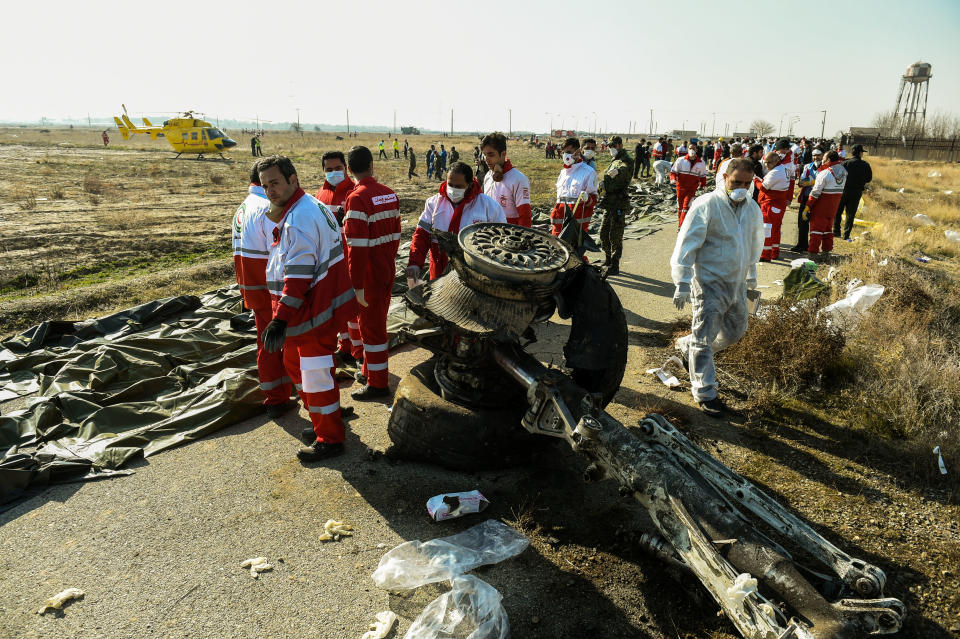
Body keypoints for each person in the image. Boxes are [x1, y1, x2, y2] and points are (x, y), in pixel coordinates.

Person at [258, 155, 358, 462]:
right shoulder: (306, 206)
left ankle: (329, 437)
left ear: (293, 179)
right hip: (312, 311)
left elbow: (298, 275)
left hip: (309, 313)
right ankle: (321, 421)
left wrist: (280, 319)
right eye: (265, 186)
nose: (270, 191)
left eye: (275, 182)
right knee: (297, 367)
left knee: (314, 376)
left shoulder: (300, 218)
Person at [671, 158, 764, 418]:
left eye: (747, 183)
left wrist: (751, 275)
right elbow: (687, 244)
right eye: (736, 182)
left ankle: (688, 347)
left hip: (736, 282)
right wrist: (682, 281)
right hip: (709, 282)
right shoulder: (706, 205)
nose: (741, 188)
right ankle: (705, 392)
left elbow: (752, 244)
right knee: (705, 337)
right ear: (724, 178)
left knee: (736, 330)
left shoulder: (751, 208)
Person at [232, 160, 292, 417]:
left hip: (251, 287)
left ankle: (275, 395)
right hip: (270, 289)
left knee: (265, 343)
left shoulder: (242, 208)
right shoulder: (268, 209)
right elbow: (282, 251)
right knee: (284, 344)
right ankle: (282, 396)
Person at [343, 146, 401, 400]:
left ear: (348, 169)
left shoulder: (357, 198)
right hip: (387, 267)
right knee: (376, 323)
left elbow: (356, 248)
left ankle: (378, 384)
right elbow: (398, 235)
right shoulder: (389, 195)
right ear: (371, 165)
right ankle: (369, 371)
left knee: (372, 329)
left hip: (368, 275)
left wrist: (356, 285)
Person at [406, 162, 506, 281]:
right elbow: (421, 235)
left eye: (458, 186)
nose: (453, 190)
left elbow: (501, 241)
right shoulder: (433, 204)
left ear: (469, 184)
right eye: (450, 185)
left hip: (473, 272)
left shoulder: (488, 206)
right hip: (439, 268)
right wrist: (415, 263)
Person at [316, 151, 361, 364]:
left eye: (338, 168)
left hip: (350, 261)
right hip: (329, 261)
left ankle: (359, 350)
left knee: (352, 310)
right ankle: (345, 345)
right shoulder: (320, 196)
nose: (334, 173)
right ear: (323, 171)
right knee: (336, 308)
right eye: (329, 170)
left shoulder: (355, 192)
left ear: (346, 168)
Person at [598, 135, 633, 276]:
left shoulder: (626, 160)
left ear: (619, 145)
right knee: (603, 232)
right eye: (609, 146)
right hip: (609, 202)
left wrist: (619, 171)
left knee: (615, 235)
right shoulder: (614, 160)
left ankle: (615, 264)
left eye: (613, 146)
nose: (611, 148)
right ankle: (607, 259)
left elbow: (626, 169)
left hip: (619, 202)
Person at [481, 131, 532, 227]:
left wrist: (522, 239)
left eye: (491, 155)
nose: (487, 159)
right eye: (484, 155)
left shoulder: (518, 179)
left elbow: (525, 216)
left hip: (510, 236)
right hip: (489, 234)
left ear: (503, 154)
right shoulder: (488, 176)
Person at [549, 137, 598, 236]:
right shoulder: (563, 173)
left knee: (572, 252)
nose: (565, 155)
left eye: (568, 152)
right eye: (564, 152)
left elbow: (594, 200)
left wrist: (587, 199)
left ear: (578, 152)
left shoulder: (588, 172)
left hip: (576, 229)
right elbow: (559, 200)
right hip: (558, 228)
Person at [807, 150, 848, 258]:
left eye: (824, 158)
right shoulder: (844, 171)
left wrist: (808, 205)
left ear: (828, 160)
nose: (822, 160)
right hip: (834, 206)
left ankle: (813, 254)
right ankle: (826, 253)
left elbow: (815, 192)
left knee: (816, 230)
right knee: (827, 230)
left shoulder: (824, 173)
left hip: (821, 206)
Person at [754, 152, 790, 261]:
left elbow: (763, 188)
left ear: (775, 161)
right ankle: (774, 252)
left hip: (770, 204)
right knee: (775, 229)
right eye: (765, 162)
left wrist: (755, 180)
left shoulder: (775, 172)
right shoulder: (783, 169)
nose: (766, 165)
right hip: (778, 204)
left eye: (768, 163)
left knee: (767, 229)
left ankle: (765, 255)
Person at [835, 144, 872, 240]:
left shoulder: (844, 163)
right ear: (860, 153)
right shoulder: (865, 165)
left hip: (843, 190)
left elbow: (837, 176)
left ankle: (836, 231)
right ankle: (846, 235)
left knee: (838, 211)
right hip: (856, 192)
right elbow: (869, 179)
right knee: (850, 214)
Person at [791, 148, 823, 252]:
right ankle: (802, 245)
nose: (815, 157)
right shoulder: (807, 166)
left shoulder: (825, 167)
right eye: (814, 155)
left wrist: (810, 181)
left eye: (818, 155)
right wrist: (814, 182)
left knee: (816, 223)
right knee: (803, 221)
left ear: (822, 156)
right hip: (806, 196)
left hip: (819, 198)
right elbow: (802, 182)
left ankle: (813, 247)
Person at [670, 143, 707, 227]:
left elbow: (702, 176)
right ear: (687, 149)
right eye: (690, 148)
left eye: (694, 148)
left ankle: (682, 226)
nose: (692, 150)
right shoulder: (681, 160)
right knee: (680, 207)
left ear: (697, 150)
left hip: (691, 189)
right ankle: (680, 222)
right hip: (680, 188)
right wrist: (672, 179)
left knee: (686, 207)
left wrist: (703, 184)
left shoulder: (701, 163)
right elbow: (673, 172)